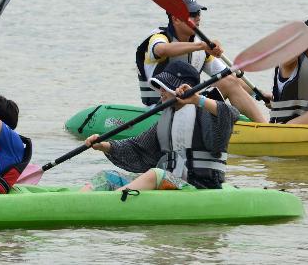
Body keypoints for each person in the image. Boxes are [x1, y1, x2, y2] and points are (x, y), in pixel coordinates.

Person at [83, 60, 240, 192]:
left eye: (166, 87)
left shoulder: (204, 112)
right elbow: (137, 148)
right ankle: (82, 201)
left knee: (155, 174)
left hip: (201, 187)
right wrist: (103, 145)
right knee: (107, 176)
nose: (161, 92)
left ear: (182, 88)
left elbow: (231, 114)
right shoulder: (167, 118)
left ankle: (111, 202)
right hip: (169, 184)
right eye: (160, 87)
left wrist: (196, 99)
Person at [135, 0, 269, 122]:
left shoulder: (200, 47)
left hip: (187, 105)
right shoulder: (159, 37)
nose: (198, 17)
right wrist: (201, 46)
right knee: (227, 82)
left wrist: (260, 94)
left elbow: (231, 79)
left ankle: (264, 128)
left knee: (228, 79)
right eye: (192, 15)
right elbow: (162, 49)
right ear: (175, 19)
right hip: (159, 110)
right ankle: (265, 129)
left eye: (198, 13)